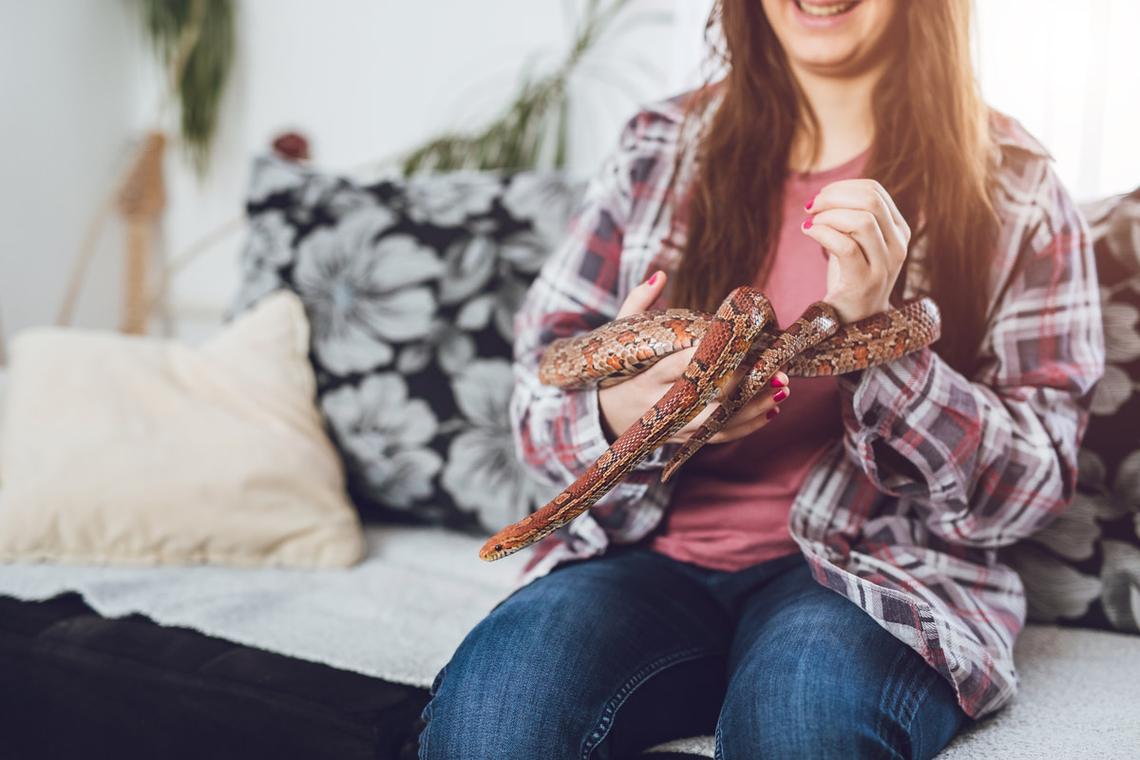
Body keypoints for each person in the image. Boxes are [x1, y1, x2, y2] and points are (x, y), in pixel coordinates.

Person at [418, 0, 1105, 757]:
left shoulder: (1018, 185)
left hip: (874, 578)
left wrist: (879, 335)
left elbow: (1030, 493)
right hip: (640, 561)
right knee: (492, 714)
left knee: (801, 718)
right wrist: (620, 408)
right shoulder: (658, 147)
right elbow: (541, 385)